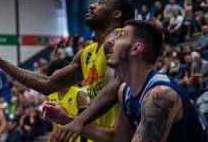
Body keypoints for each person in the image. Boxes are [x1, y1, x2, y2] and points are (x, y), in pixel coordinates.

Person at [0, 0, 135, 141]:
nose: (92, 6)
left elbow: (115, 85)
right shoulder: (86, 54)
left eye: (101, 2)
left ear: (116, 14)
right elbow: (48, 84)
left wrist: (78, 120)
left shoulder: (117, 38)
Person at [43, 20, 206, 142]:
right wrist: (66, 119)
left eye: (120, 36)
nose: (110, 42)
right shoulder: (124, 92)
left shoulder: (160, 95)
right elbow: (116, 138)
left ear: (136, 48)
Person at [44, 59, 87, 142]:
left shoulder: (80, 94)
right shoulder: (50, 96)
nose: (59, 80)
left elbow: (84, 123)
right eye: (55, 77)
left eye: (61, 77)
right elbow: (55, 126)